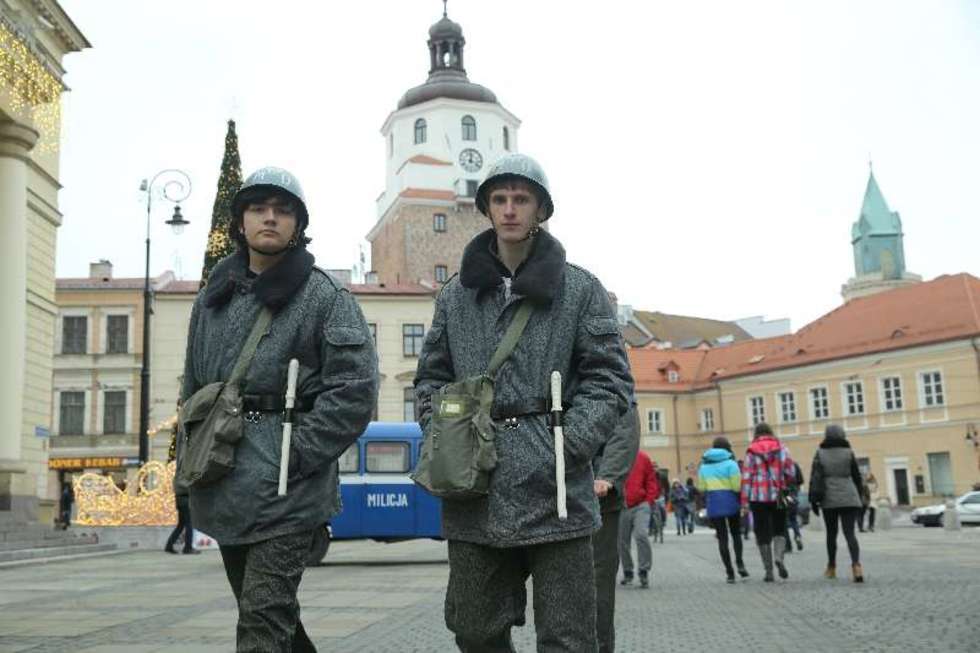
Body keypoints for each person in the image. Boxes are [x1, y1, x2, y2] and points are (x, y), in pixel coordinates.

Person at [414, 153, 634, 652]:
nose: (510, 209)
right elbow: (430, 377)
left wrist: (568, 445)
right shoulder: (455, 297)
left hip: (557, 491)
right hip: (476, 489)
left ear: (540, 210)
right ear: (487, 209)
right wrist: (443, 435)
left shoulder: (579, 289)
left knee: (568, 636)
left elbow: (611, 379)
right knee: (474, 629)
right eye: (499, 199)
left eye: (521, 199)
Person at [180, 167, 378, 652]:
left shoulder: (325, 297)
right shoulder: (212, 299)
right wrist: (185, 476)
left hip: (289, 489)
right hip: (222, 481)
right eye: (258, 208)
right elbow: (192, 392)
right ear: (240, 221)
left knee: (261, 627)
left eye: (283, 210)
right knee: (272, 619)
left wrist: (291, 457)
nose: (270, 218)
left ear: (298, 224)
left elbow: (354, 392)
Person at [592, 405, 640, 653]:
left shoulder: (613, 373)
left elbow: (625, 427)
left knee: (597, 584)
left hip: (598, 498)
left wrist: (607, 476)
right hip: (550, 496)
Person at [740, 423, 796, 582]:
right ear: (770, 432)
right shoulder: (782, 448)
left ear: (756, 434)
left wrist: (744, 501)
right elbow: (791, 472)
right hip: (779, 494)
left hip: (758, 496)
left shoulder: (751, 451)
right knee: (780, 528)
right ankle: (779, 557)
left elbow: (746, 478)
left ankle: (769, 570)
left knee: (762, 532)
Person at [809, 425, 865, 582]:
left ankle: (831, 567)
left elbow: (815, 477)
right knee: (850, 533)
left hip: (829, 498)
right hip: (849, 496)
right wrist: (859, 497)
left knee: (831, 534)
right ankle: (856, 566)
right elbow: (857, 476)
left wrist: (813, 500)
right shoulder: (849, 452)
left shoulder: (820, 453)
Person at [697, 437, 748, 583]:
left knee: (722, 538)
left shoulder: (704, 466)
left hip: (714, 503)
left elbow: (702, 488)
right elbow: (737, 487)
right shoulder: (731, 464)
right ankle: (740, 563)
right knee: (736, 534)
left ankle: (729, 573)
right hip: (731, 502)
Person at [618, 447, 660, 589]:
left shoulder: (643, 457)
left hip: (641, 504)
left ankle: (643, 570)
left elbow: (651, 480)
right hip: (621, 505)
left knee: (641, 534)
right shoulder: (615, 456)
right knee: (622, 542)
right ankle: (628, 571)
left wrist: (649, 500)